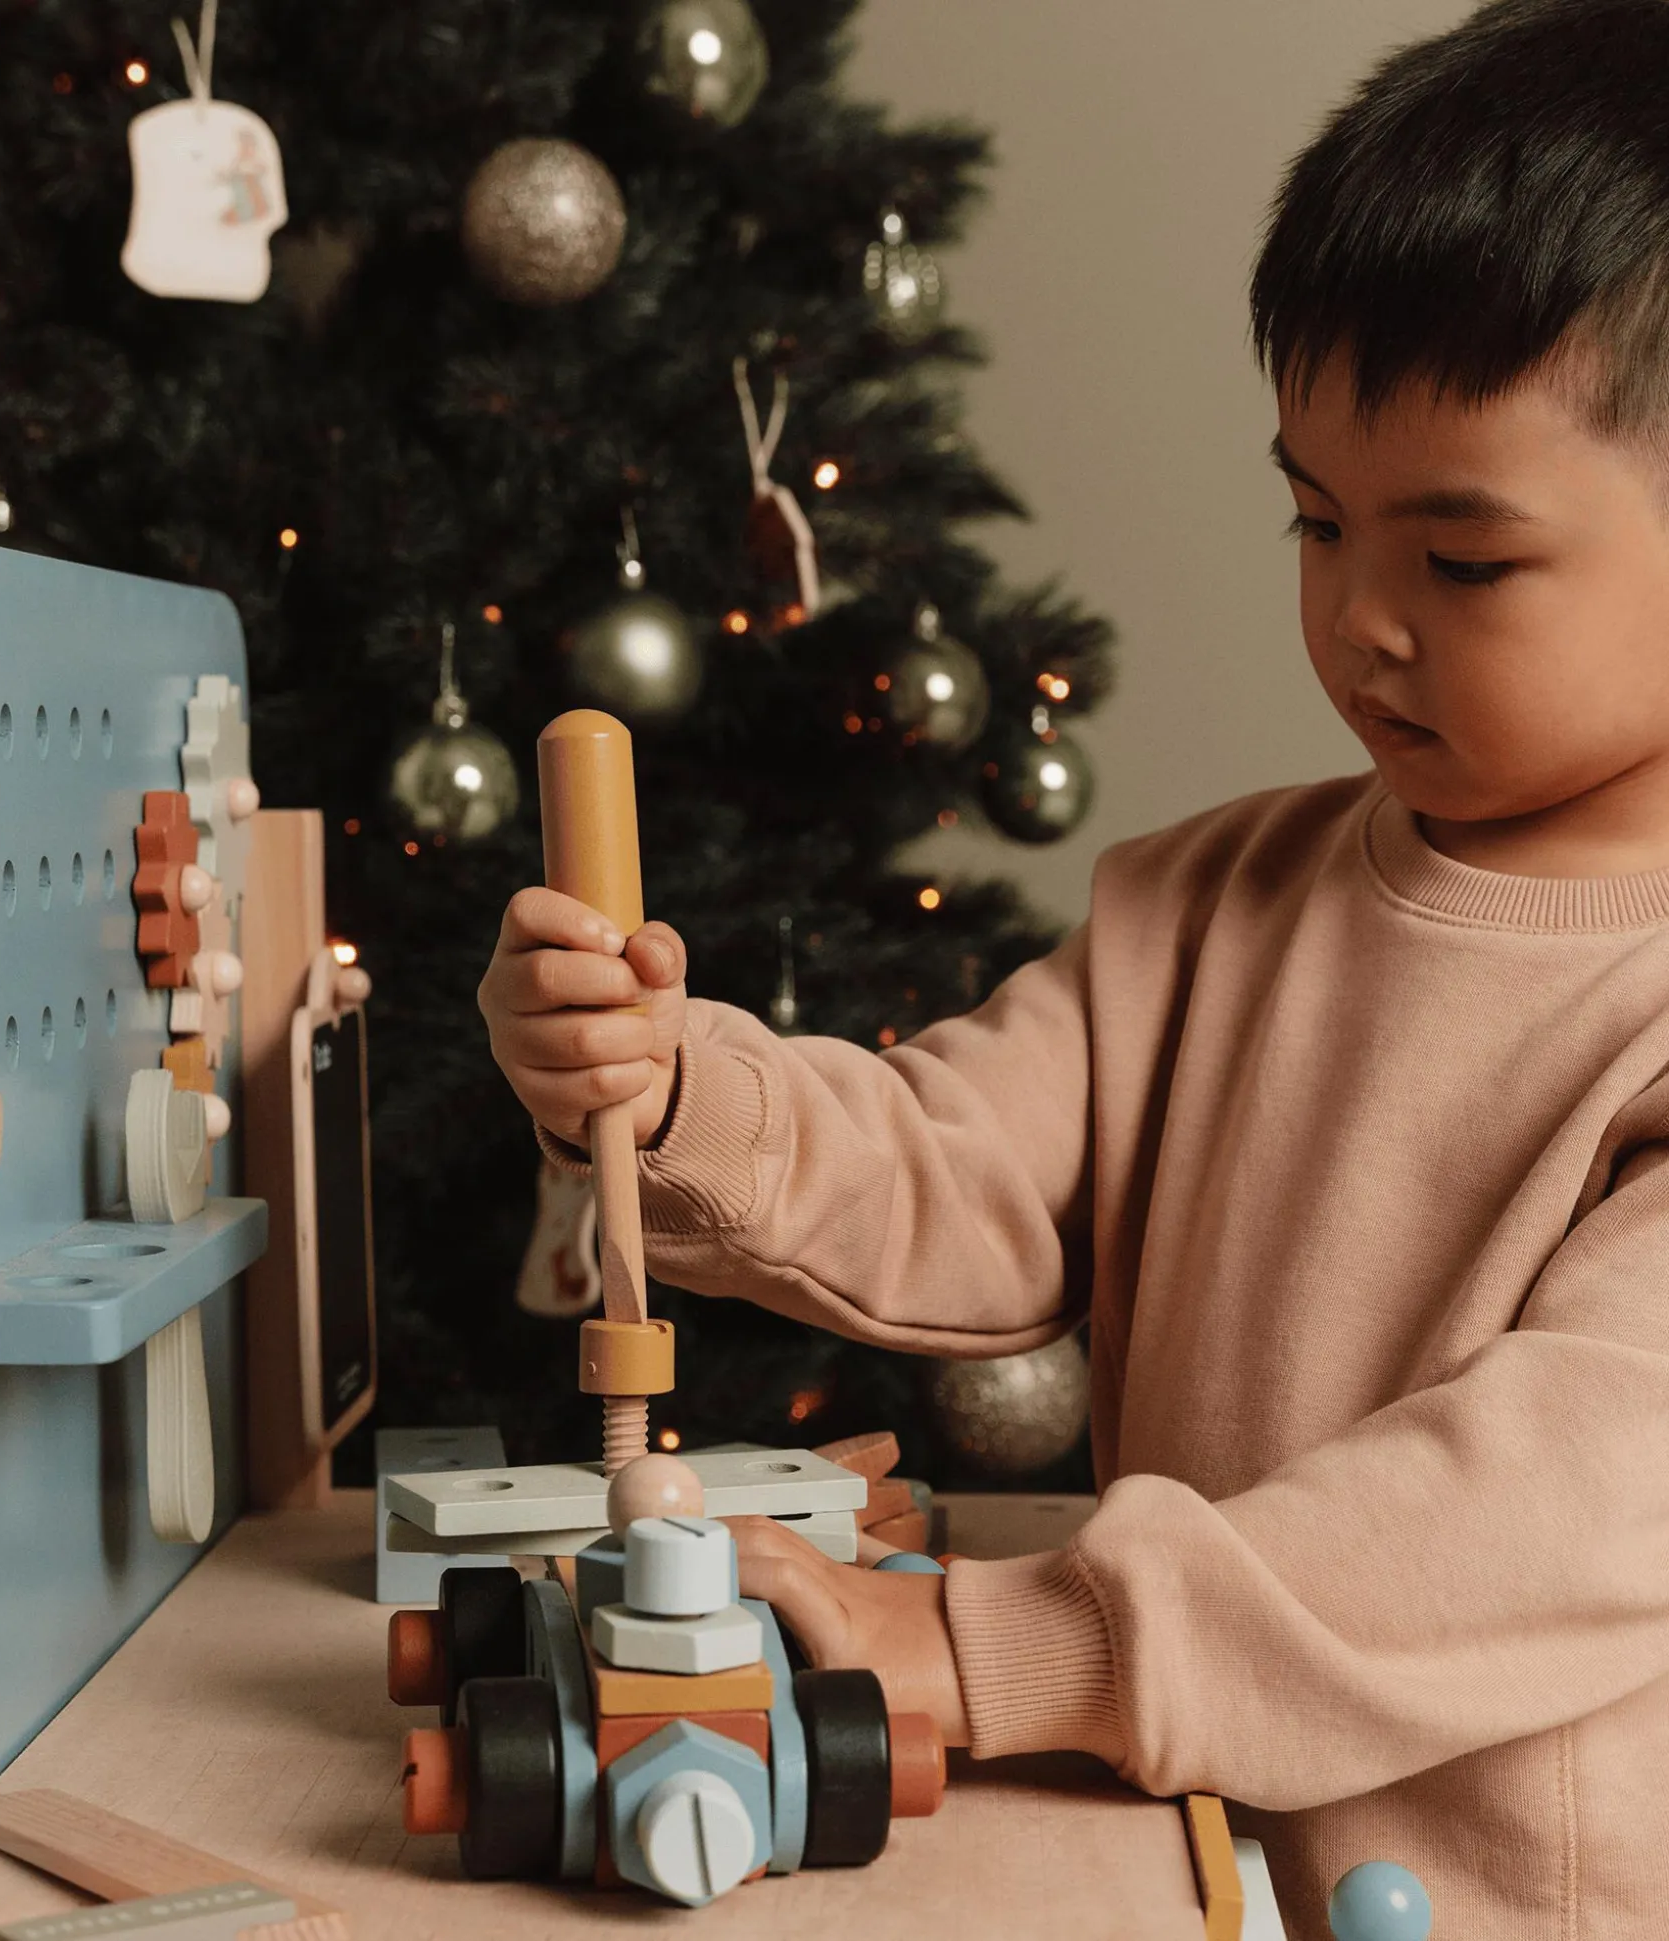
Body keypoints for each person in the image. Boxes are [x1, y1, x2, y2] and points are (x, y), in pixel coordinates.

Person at [478, 3, 1669, 1932]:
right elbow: (954, 1166)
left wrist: (1001, 1646)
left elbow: (1544, 1509)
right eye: (1316, 520)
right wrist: (674, 1086)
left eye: (1461, 562)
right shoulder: (1209, 904)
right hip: (1175, 1863)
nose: (1360, 620)